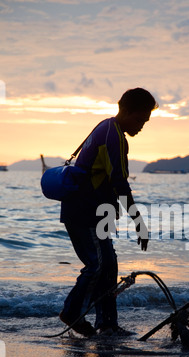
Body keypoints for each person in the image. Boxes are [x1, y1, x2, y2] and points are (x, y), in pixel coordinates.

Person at [59, 88, 158, 337]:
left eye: (145, 122)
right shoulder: (113, 136)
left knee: (109, 266)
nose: (141, 126)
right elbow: (120, 183)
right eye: (139, 120)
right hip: (83, 211)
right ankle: (71, 313)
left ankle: (107, 324)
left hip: (96, 213)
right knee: (96, 265)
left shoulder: (106, 127)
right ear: (123, 110)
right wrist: (139, 223)